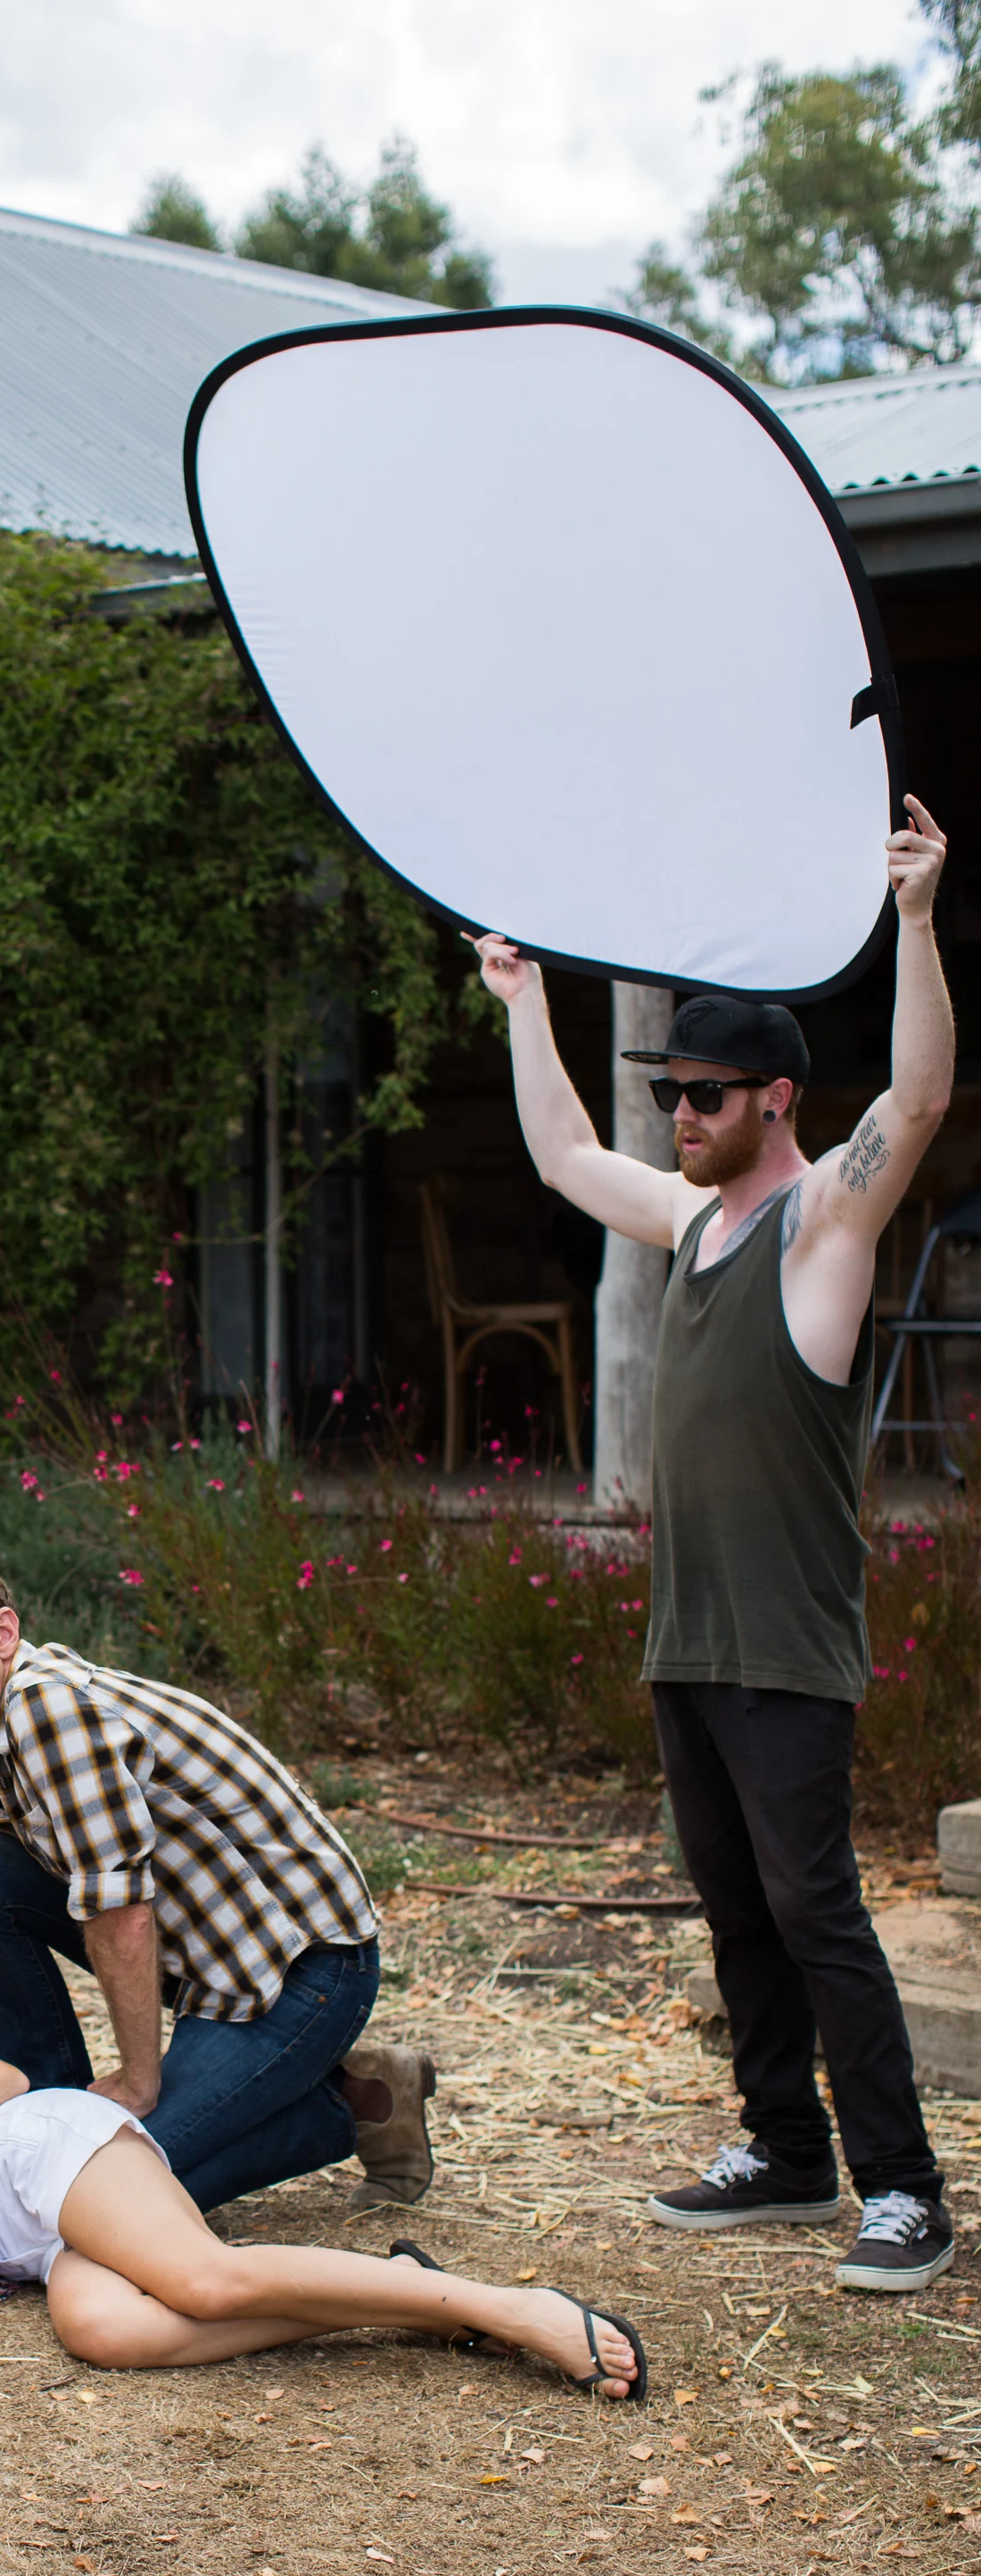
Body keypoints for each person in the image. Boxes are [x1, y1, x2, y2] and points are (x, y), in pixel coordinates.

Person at [474, 793, 958, 2293]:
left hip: (783, 1647)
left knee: (815, 1911)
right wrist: (520, 999)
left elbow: (920, 1102)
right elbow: (561, 1155)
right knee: (736, 1905)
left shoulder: (819, 1231)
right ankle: (780, 2151)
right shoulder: (685, 1230)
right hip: (686, 1638)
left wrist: (920, 922)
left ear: (771, 1102)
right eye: (668, 1091)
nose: (673, 1116)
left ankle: (902, 2191)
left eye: (699, 1095)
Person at [0, 1949, 647, 2395]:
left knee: (203, 2281)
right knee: (102, 2330)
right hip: (27, 2242)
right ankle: (420, 2302)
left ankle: (514, 2307)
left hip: (29, 2151)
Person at [0, 1536, 434, 2217]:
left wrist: (138, 2083)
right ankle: (39, 2115)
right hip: (208, 1967)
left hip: (303, 1973)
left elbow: (120, 1909)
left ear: (2, 1632)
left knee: (102, 2208)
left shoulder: (52, 1713)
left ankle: (358, 2100)